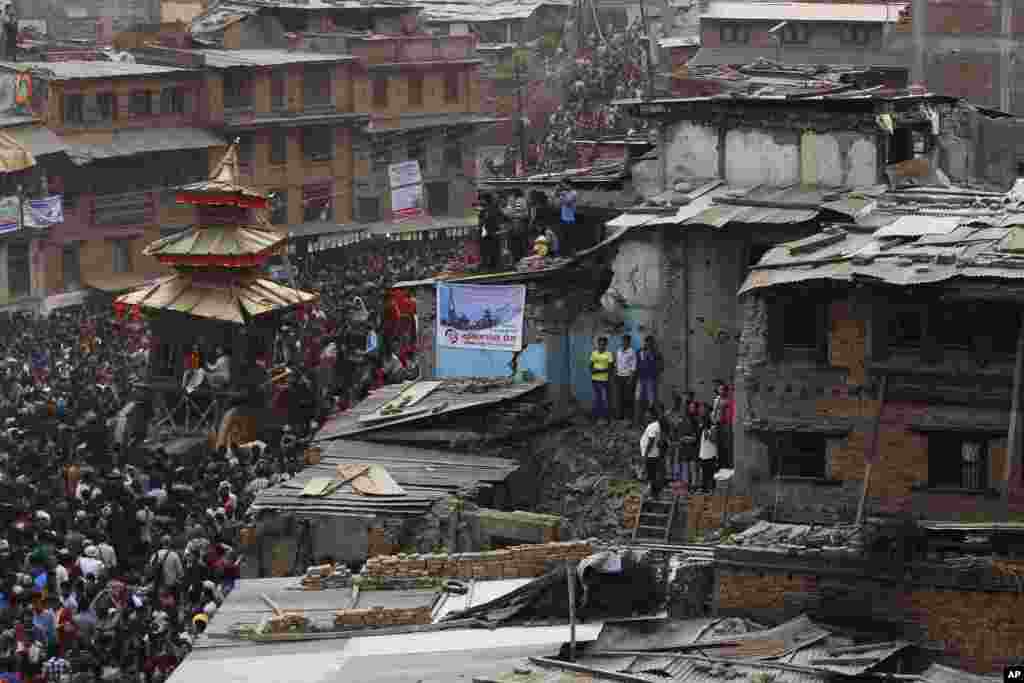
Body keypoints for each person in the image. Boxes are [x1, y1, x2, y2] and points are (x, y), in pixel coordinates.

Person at [634, 336, 661, 425]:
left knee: (651, 399)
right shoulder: (639, 352)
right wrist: (636, 375)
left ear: (652, 343)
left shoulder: (656, 353)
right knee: (638, 398)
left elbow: (660, 366)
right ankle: (638, 420)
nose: (648, 344)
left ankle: (651, 419)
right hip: (641, 378)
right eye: (646, 342)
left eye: (650, 342)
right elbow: (636, 364)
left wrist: (655, 374)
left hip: (650, 379)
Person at [640, 410, 666, 499]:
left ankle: (652, 494)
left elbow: (651, 441)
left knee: (651, 476)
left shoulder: (652, 426)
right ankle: (653, 494)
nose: (645, 417)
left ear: (652, 416)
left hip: (651, 455)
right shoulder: (655, 425)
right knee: (652, 475)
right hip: (654, 454)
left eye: (647, 415)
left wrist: (645, 454)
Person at [589, 336, 613, 423]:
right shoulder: (594, 353)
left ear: (606, 345)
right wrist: (593, 371)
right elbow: (590, 366)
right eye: (600, 344)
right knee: (597, 399)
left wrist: (598, 371)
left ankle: (606, 418)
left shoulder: (608, 354)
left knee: (605, 399)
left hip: (604, 380)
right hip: (595, 380)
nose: (601, 346)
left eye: (603, 344)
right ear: (598, 344)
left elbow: (610, 368)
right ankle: (597, 418)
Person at [614, 334, 636, 422]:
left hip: (627, 377)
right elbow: (616, 363)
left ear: (629, 342)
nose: (624, 343)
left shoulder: (632, 352)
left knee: (628, 398)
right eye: (623, 341)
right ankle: (620, 416)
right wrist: (615, 373)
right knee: (619, 397)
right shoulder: (618, 351)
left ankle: (628, 417)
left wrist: (631, 378)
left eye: (626, 341)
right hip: (619, 377)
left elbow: (633, 367)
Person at [478, 194, 501, 271]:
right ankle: (491, 266)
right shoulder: (493, 208)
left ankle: (489, 267)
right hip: (491, 233)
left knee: (488, 251)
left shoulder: (487, 209)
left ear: (485, 200)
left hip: (489, 233)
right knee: (492, 251)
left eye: (481, 199)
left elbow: (482, 221)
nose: (480, 201)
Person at [557, 182, 577, 252]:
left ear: (569, 184)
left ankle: (572, 252)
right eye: (563, 185)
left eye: (565, 185)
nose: (564, 186)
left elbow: (568, 203)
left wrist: (563, 195)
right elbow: (559, 203)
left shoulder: (573, 193)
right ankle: (564, 252)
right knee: (563, 237)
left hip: (570, 219)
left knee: (571, 237)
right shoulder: (563, 193)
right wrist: (559, 194)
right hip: (563, 218)